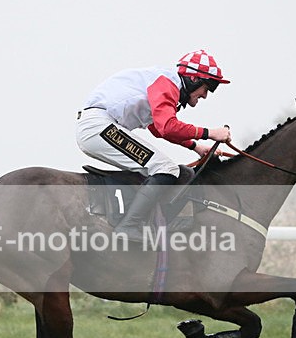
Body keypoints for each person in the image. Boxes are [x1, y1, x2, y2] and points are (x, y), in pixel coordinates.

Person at [76, 50, 232, 242]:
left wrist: (196, 147)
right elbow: (166, 126)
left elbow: (157, 128)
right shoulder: (167, 83)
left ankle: (136, 220)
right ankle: (129, 225)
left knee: (163, 168)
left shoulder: (164, 84)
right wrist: (210, 133)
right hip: (99, 126)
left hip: (98, 126)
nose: (206, 95)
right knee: (166, 168)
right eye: (208, 87)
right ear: (192, 78)